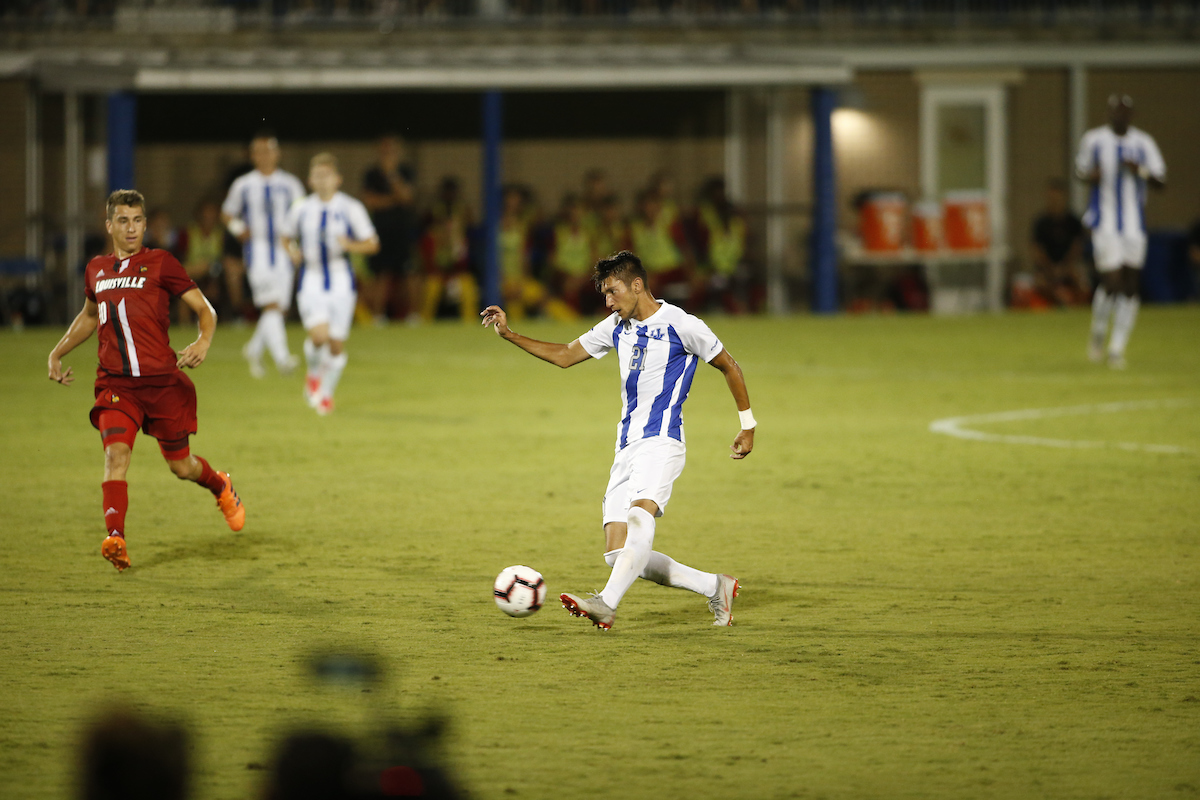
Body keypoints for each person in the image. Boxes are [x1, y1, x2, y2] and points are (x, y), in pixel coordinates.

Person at [480, 250, 755, 630]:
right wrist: (509, 335)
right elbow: (564, 355)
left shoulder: (682, 324)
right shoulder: (615, 326)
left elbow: (729, 365)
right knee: (617, 554)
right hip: (626, 447)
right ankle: (715, 586)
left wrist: (747, 425)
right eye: (605, 295)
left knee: (640, 518)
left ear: (637, 285)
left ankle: (606, 604)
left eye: (613, 292)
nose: (608, 302)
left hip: (662, 441)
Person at [47, 189, 245, 573]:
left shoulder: (160, 263)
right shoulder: (97, 270)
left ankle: (220, 485)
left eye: (138, 220)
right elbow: (90, 316)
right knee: (115, 455)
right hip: (116, 385)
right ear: (109, 225)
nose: (132, 228)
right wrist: (57, 352)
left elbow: (205, 310)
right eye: (123, 221)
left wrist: (204, 339)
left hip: (162, 384)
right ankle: (115, 537)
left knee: (181, 467)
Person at [284, 153, 380, 416]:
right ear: (310, 180)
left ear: (338, 179)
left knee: (336, 345)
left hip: (340, 280)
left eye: (327, 175)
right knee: (318, 337)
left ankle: (325, 394)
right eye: (317, 176)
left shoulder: (350, 207)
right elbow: (285, 236)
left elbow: (372, 243)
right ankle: (314, 374)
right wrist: (292, 250)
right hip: (311, 278)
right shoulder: (301, 208)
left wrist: (350, 244)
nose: (323, 180)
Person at [1076, 94, 1166, 368]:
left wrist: (1139, 171)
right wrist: (1091, 177)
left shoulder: (1143, 143)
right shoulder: (1094, 140)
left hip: (1133, 226)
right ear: (1109, 112)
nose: (1120, 116)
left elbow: (1160, 180)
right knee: (1111, 281)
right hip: (1104, 223)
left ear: (1131, 114)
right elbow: (1079, 172)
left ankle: (1116, 348)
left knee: (1130, 287)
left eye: (1125, 111)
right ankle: (1099, 331)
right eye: (1116, 111)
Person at [222, 132, 307, 378]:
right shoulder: (244, 184)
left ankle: (254, 349)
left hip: (283, 251)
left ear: (277, 153)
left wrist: (296, 247)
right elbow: (227, 213)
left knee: (277, 308)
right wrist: (238, 229)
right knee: (271, 304)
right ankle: (282, 359)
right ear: (252, 156)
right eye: (259, 151)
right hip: (257, 252)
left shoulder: (290, 183)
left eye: (269, 150)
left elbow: (302, 214)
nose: (265, 156)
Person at [361, 134, 419, 324]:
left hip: (402, 230)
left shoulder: (404, 171)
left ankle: (413, 316)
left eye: (391, 149)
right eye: (384, 149)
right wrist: (394, 200)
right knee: (382, 274)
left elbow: (407, 197)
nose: (388, 153)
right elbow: (370, 202)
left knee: (408, 273)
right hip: (381, 231)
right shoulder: (371, 174)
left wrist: (392, 174)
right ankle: (378, 316)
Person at [1030, 178, 1088, 307]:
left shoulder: (1073, 221)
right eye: (1051, 198)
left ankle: (1078, 308)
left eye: (1058, 198)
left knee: (1082, 280)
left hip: (1069, 265)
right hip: (1047, 267)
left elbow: (1077, 247)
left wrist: (1065, 266)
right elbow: (1036, 249)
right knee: (1040, 282)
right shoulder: (1041, 223)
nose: (1055, 201)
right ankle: (1059, 304)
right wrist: (1050, 267)